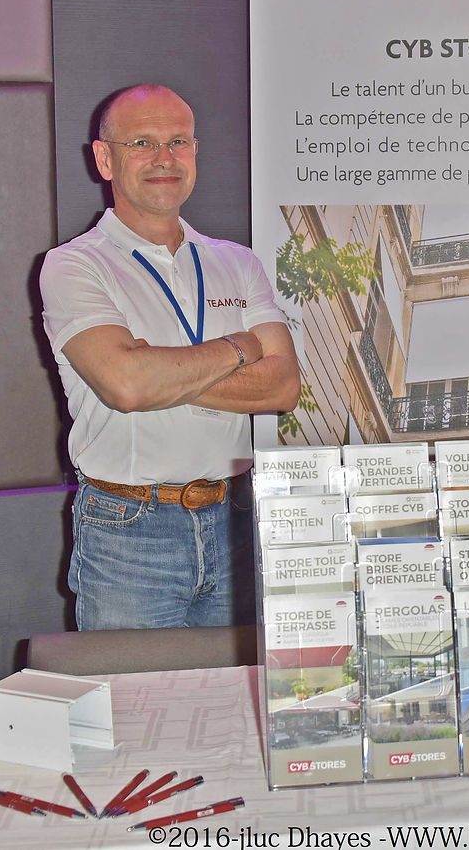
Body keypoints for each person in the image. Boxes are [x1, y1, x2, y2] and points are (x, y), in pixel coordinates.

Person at [40, 83, 300, 631]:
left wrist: (157, 369)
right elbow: (127, 387)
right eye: (142, 143)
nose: (165, 158)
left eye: (178, 141)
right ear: (104, 159)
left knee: (234, 687)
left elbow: (282, 387)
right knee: (131, 687)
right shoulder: (74, 265)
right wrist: (241, 348)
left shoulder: (238, 262)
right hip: (129, 532)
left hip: (235, 520)